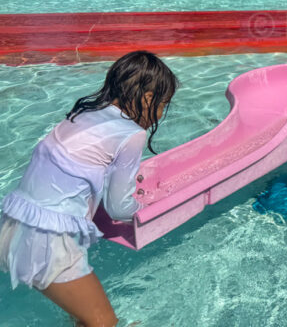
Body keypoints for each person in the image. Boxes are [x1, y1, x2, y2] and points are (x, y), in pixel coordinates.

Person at [0, 51, 179, 327]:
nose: (159, 113)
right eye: (162, 104)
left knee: (83, 319)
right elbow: (119, 207)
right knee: (103, 322)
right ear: (146, 99)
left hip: (13, 228)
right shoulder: (132, 133)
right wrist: (149, 207)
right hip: (49, 242)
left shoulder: (83, 113)